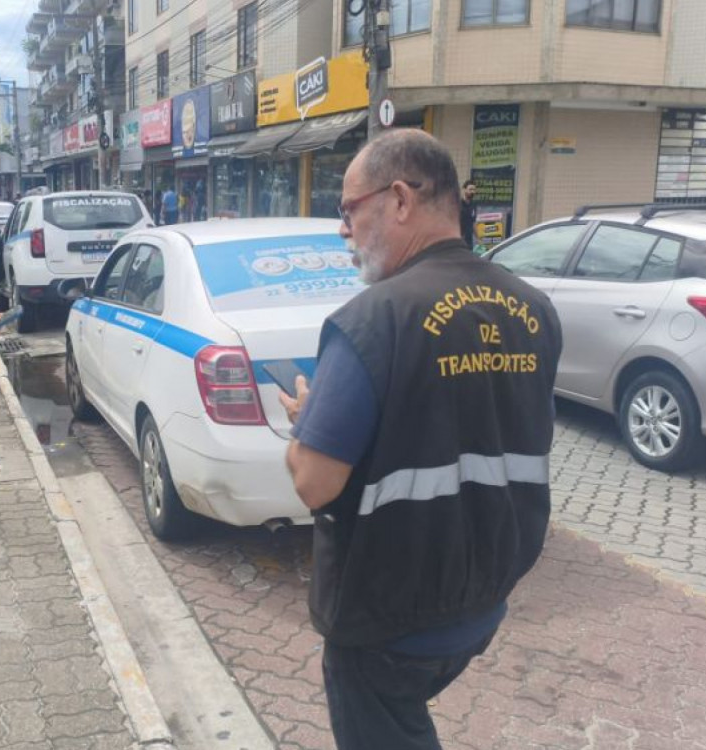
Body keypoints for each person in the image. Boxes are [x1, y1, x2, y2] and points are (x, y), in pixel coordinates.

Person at [279, 130, 561, 750]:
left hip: (385, 623)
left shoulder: (373, 319)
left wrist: (309, 422)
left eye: (349, 210)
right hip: (480, 604)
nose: (343, 230)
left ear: (399, 200)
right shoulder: (532, 308)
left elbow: (313, 481)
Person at [459, 179, 477, 247]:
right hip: (459, 239)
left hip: (469, 240)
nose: (472, 192)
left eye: (474, 190)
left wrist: (478, 238)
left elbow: (473, 223)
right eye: (470, 189)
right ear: (464, 190)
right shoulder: (458, 204)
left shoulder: (473, 205)